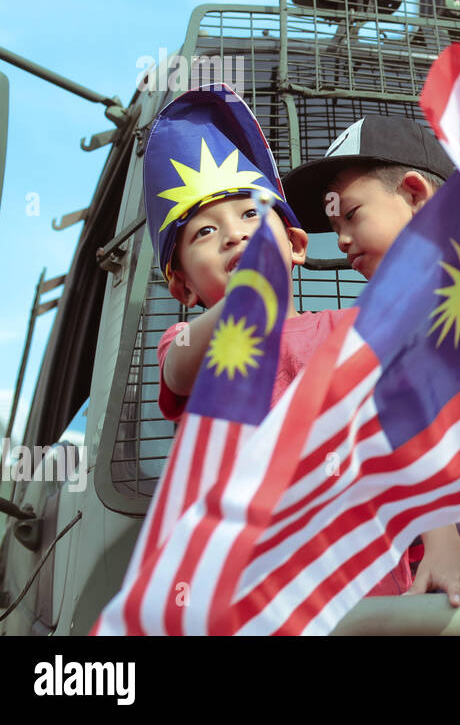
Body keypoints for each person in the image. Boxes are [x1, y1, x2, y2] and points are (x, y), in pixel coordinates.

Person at [284, 115, 460, 605]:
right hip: (408, 580)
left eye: (351, 216)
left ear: (414, 194)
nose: (342, 239)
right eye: (332, 226)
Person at [145, 85, 410, 597]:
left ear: (294, 245)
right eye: (203, 233)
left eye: (250, 215)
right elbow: (178, 368)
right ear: (181, 285)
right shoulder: (187, 345)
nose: (234, 235)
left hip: (368, 587)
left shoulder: (348, 328)